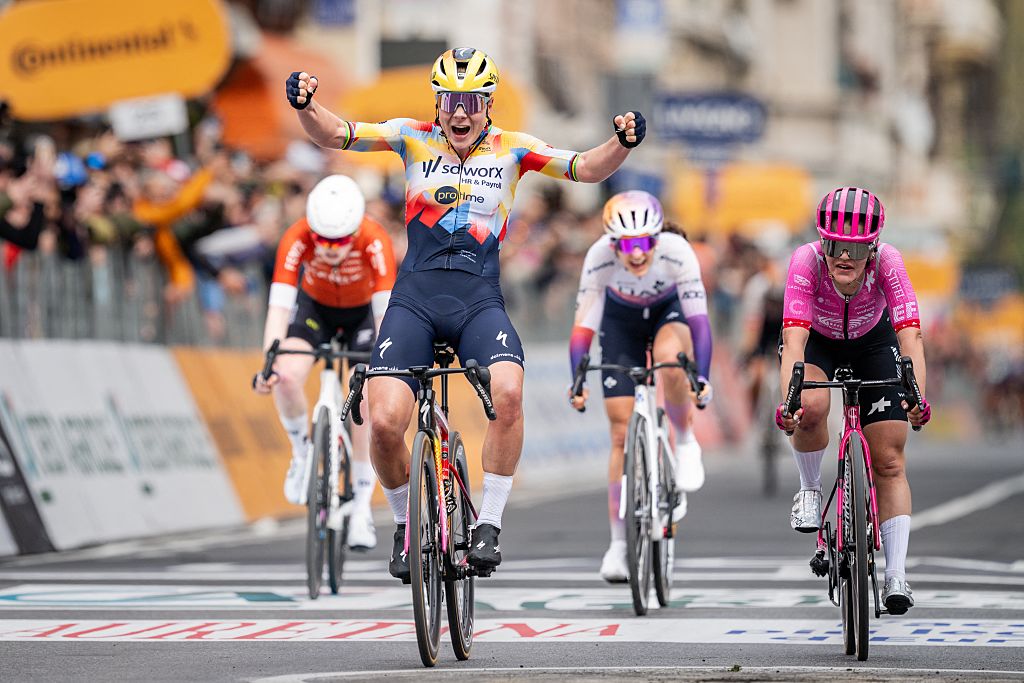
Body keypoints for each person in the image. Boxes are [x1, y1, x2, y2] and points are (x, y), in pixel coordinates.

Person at [285, 46, 646, 580]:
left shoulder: (514, 149)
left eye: (472, 102)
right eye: (451, 99)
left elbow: (586, 168)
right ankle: (408, 526)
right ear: (438, 100)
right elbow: (339, 134)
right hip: (414, 300)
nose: (460, 112)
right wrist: (305, 104)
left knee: (508, 392)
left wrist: (622, 141)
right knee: (383, 424)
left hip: (479, 301)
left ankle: (489, 524)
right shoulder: (411, 136)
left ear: (489, 103)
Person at [775, 187, 931, 614]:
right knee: (813, 408)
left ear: (873, 247)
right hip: (819, 344)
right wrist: (789, 403)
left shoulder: (890, 262)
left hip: (874, 344)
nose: (844, 257)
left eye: (855, 249)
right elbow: (794, 340)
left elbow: (910, 335)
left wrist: (917, 395)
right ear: (821, 241)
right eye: (834, 245)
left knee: (889, 461)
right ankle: (809, 489)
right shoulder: (806, 261)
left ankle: (896, 575)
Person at [567, 191, 713, 582]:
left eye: (645, 242)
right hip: (621, 323)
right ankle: (618, 544)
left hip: (668, 313)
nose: (636, 254)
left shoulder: (677, 251)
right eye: (627, 245)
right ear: (613, 243)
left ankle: (684, 440)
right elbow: (583, 326)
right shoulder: (598, 257)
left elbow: (699, 322)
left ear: (657, 238)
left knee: (669, 358)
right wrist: (576, 380)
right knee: (619, 432)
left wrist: (702, 376)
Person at [252, 174, 396, 551]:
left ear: (355, 229)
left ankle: (362, 504)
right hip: (315, 312)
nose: (331, 250)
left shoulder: (374, 238)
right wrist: (269, 362)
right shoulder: (296, 236)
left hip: (364, 317)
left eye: (340, 241)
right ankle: (302, 454)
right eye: (323, 241)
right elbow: (280, 307)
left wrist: (384, 366)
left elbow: (386, 318)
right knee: (286, 376)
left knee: (363, 397)